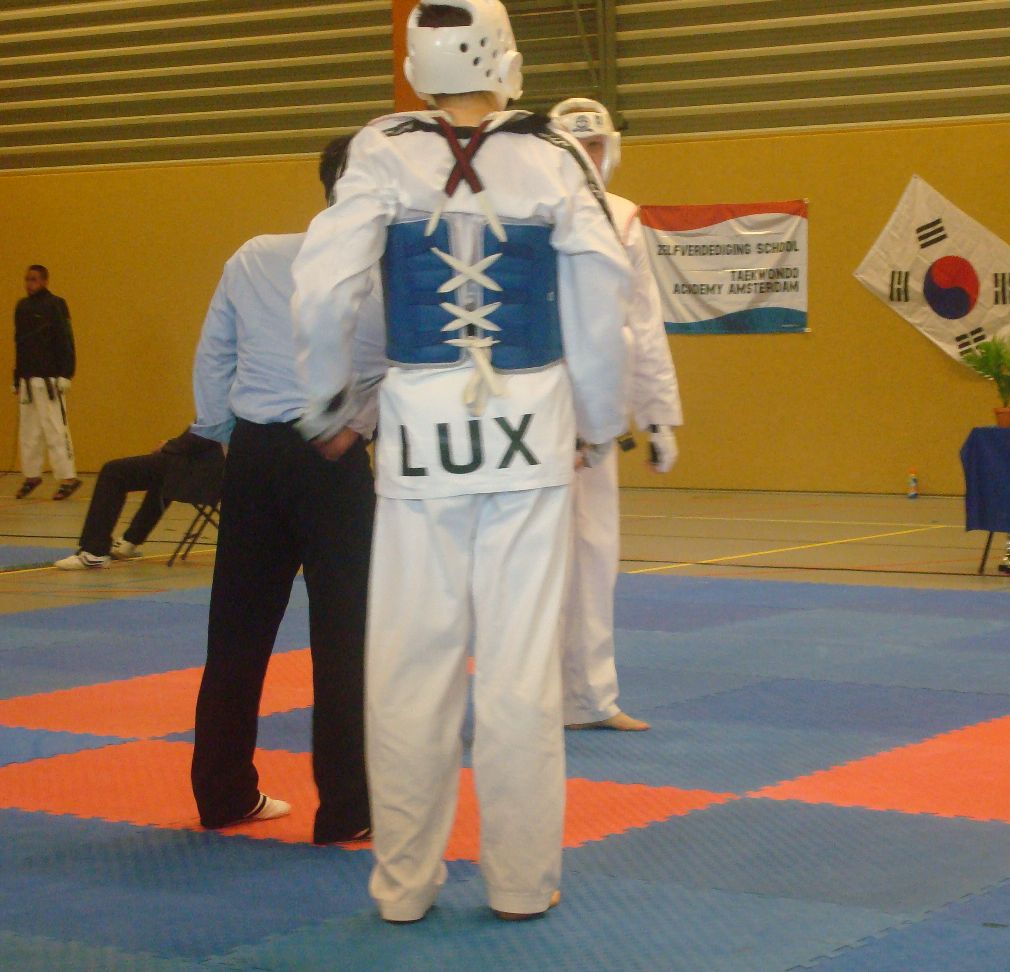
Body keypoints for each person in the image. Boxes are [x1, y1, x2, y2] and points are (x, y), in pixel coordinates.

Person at [291, 0, 630, 924]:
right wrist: (600, 420)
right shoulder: (552, 153)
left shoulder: (381, 148)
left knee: (411, 665)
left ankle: (403, 885)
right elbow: (600, 293)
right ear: (507, 58)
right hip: (531, 422)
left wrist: (325, 398)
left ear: (416, 63)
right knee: (520, 672)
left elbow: (323, 286)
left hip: (420, 425)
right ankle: (519, 882)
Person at [189, 135, 386, 846]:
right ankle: (347, 808)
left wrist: (222, 431)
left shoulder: (255, 256)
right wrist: (356, 426)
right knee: (345, 638)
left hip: (255, 454)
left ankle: (222, 793)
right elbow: (399, 371)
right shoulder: (389, 275)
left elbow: (214, 356)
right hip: (331, 461)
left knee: (235, 633)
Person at [550, 97, 683, 733]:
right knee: (530, 561)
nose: (587, 156)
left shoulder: (624, 218)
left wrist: (658, 418)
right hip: (535, 403)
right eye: (575, 145)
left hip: (600, 406)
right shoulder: (523, 210)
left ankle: (590, 698)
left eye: (596, 145)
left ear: (612, 151)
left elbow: (645, 326)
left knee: (596, 553)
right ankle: (526, 698)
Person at [53, 429, 222, 569]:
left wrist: (170, 445)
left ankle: (94, 551)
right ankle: (130, 541)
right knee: (163, 474)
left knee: (113, 472)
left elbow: (207, 431)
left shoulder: (220, 398)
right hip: (215, 471)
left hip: (204, 472)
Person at [13, 265, 80, 500]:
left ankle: (68, 477)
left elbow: (65, 339)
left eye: (33, 279)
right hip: (28, 379)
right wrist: (17, 377)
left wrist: (66, 373)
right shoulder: (22, 307)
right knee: (29, 432)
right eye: (27, 279)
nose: (29, 284)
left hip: (50, 379)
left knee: (55, 429)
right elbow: (20, 344)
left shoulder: (55, 305)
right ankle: (32, 475)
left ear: (44, 281)